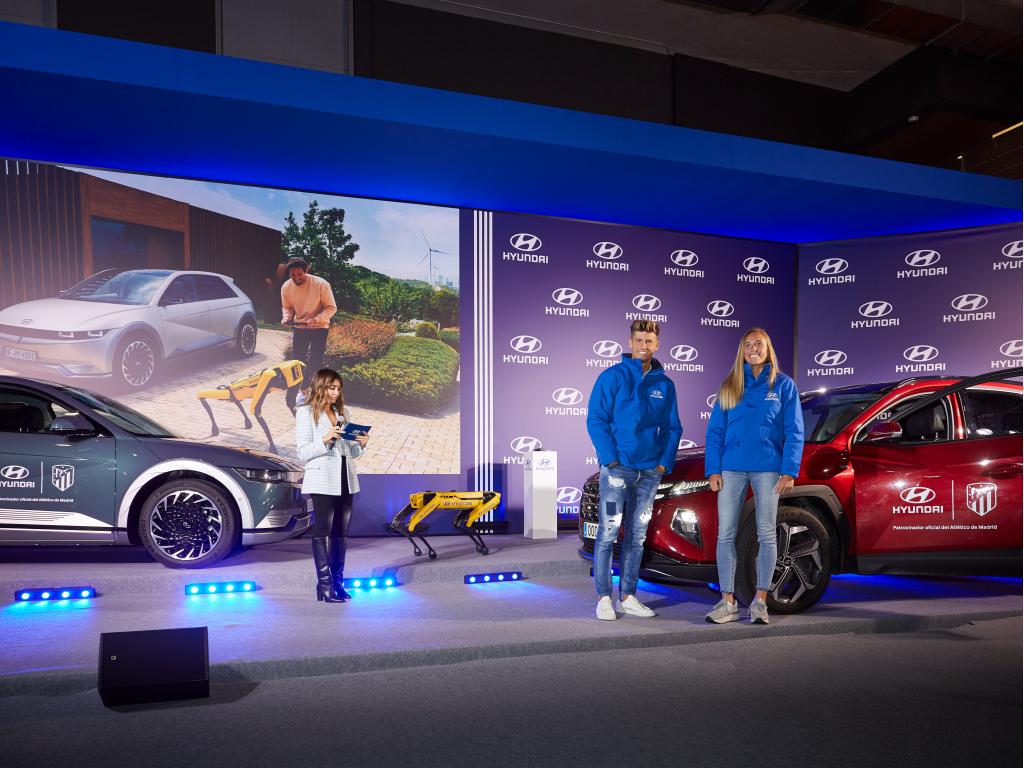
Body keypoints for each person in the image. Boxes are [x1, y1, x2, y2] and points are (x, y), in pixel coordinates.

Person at [704, 327, 804, 625]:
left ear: (768, 348)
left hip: (768, 469)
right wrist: (713, 470)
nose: (753, 349)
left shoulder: (783, 385)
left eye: (758, 344)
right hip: (731, 469)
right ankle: (727, 602)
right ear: (742, 351)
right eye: (748, 345)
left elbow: (794, 431)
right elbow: (715, 432)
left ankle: (760, 602)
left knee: (766, 534)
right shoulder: (730, 385)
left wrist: (789, 470)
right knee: (726, 534)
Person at [586, 320, 682, 621]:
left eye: (649, 341)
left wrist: (663, 462)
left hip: (648, 475)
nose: (644, 345)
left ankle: (628, 595)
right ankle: (603, 597)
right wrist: (610, 459)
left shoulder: (664, 384)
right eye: (639, 340)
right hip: (617, 472)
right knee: (609, 532)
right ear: (630, 343)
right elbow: (596, 420)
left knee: (637, 535)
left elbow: (672, 428)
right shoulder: (612, 377)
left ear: (657, 345)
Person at [294, 368, 369, 603]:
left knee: (341, 533)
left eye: (339, 388)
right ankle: (324, 586)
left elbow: (350, 453)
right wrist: (325, 439)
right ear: (321, 386)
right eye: (332, 387)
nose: (336, 392)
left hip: (346, 478)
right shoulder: (306, 413)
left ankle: (337, 583)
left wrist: (361, 443)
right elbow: (302, 452)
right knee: (322, 531)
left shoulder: (343, 412)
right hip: (322, 479)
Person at [281, 257, 338, 407]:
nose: (296, 278)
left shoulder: (321, 284)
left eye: (299, 274)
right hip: (300, 327)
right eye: (293, 275)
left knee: (315, 361)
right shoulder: (286, 287)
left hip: (320, 327)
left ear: (306, 270)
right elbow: (287, 307)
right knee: (297, 363)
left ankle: (304, 388)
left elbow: (331, 308)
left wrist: (316, 319)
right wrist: (286, 317)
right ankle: (291, 397)